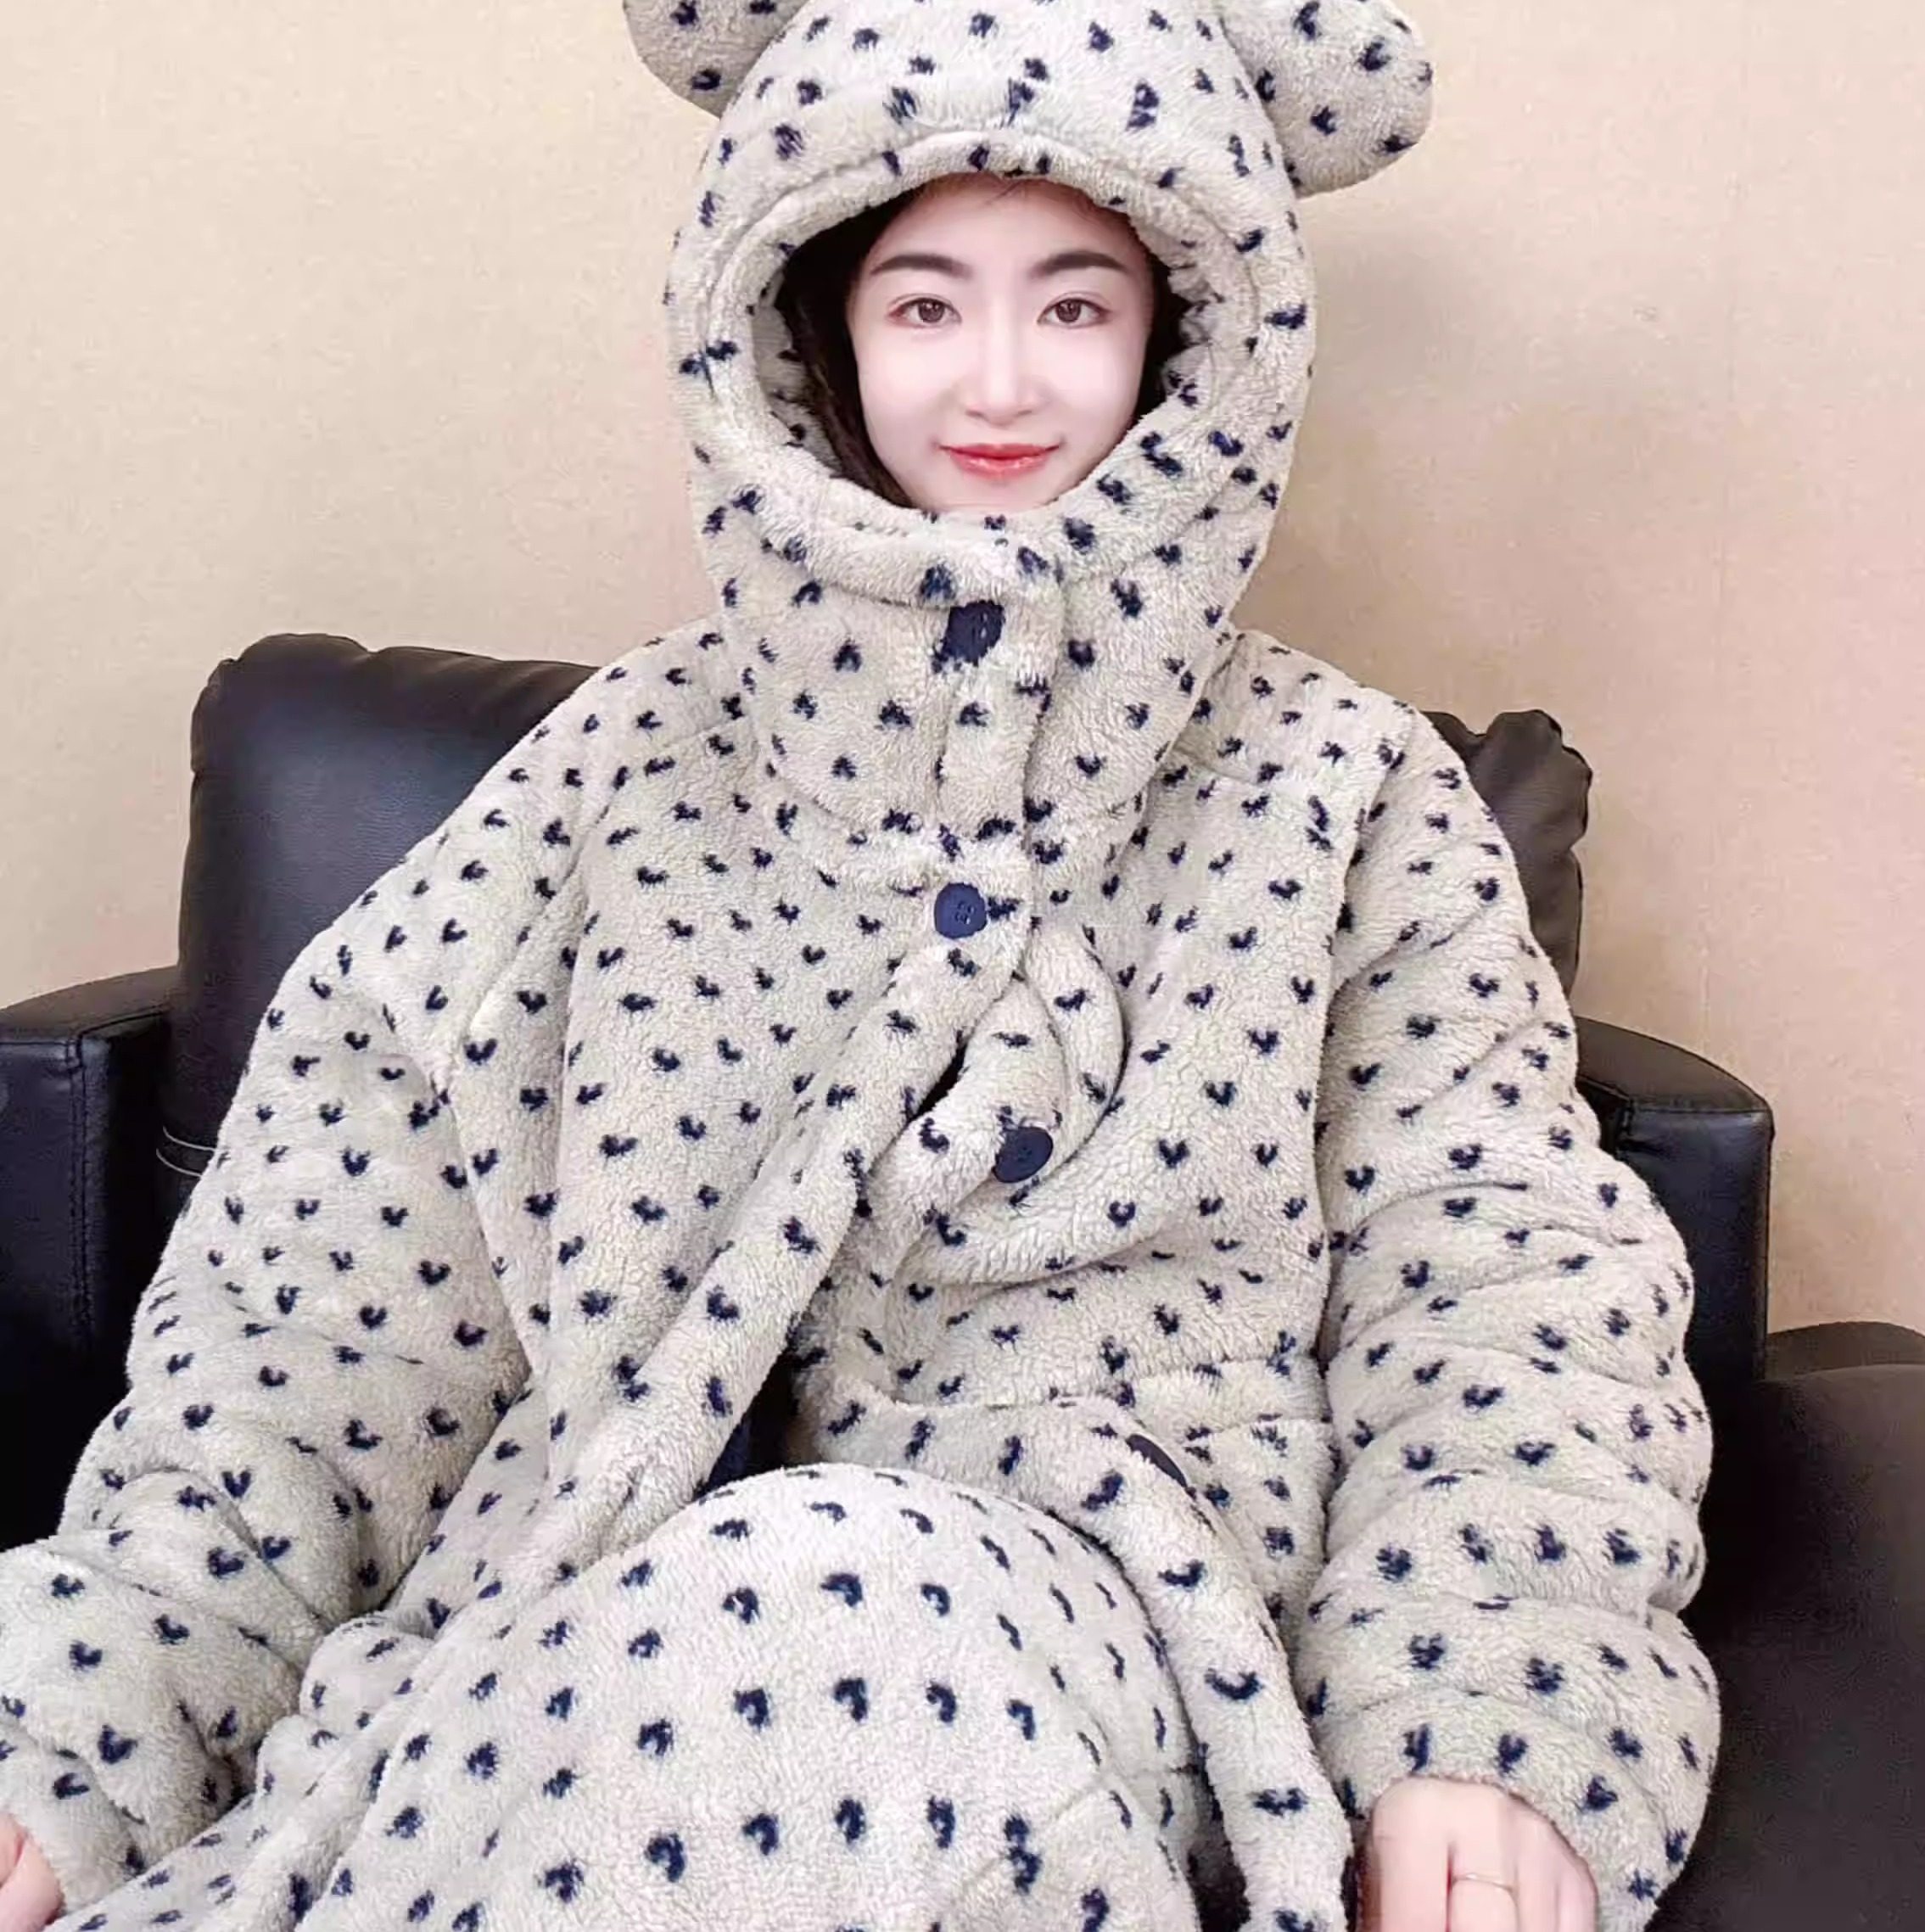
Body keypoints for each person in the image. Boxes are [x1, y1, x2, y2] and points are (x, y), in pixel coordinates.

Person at [0, 3, 1723, 1929]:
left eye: (1074, 303)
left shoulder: (1348, 793)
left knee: (832, 1623)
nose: (999, 378)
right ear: (809, 326)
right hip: (556, 1648)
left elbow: (1498, 1277)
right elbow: (321, 1308)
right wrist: (80, 1710)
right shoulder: (609, 780)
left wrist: (1485, 1703)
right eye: (924, 304)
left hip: (1112, 1645)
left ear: (1185, 333)